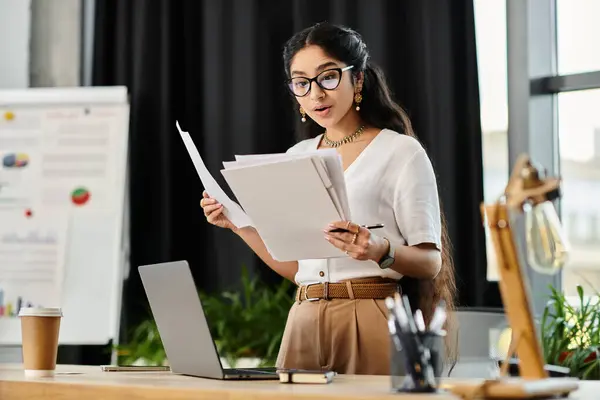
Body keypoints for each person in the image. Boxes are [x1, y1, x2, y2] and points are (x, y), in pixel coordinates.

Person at [199, 21, 457, 375]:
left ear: (359, 80)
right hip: (304, 317)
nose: (316, 94)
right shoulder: (296, 155)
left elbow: (431, 263)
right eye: (302, 83)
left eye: (328, 77)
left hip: (369, 313)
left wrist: (377, 249)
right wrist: (237, 224)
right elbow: (297, 268)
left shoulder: (400, 151)